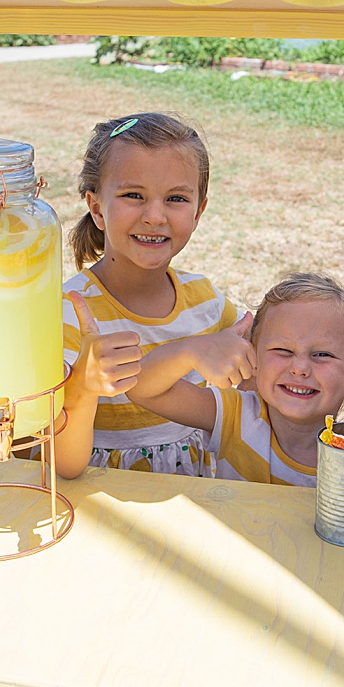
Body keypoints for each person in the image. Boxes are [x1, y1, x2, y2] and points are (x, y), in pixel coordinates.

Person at [56, 112, 251, 479]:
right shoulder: (66, 315)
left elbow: (256, 390)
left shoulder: (206, 302)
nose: (155, 216)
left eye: (176, 198)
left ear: (199, 212)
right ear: (97, 208)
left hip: (194, 502)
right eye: (134, 195)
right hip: (99, 509)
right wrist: (84, 383)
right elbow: (65, 465)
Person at [126, 273, 344, 485]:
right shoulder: (236, 418)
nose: (300, 368)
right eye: (283, 351)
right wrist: (189, 352)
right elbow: (142, 388)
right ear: (253, 356)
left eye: (322, 354)